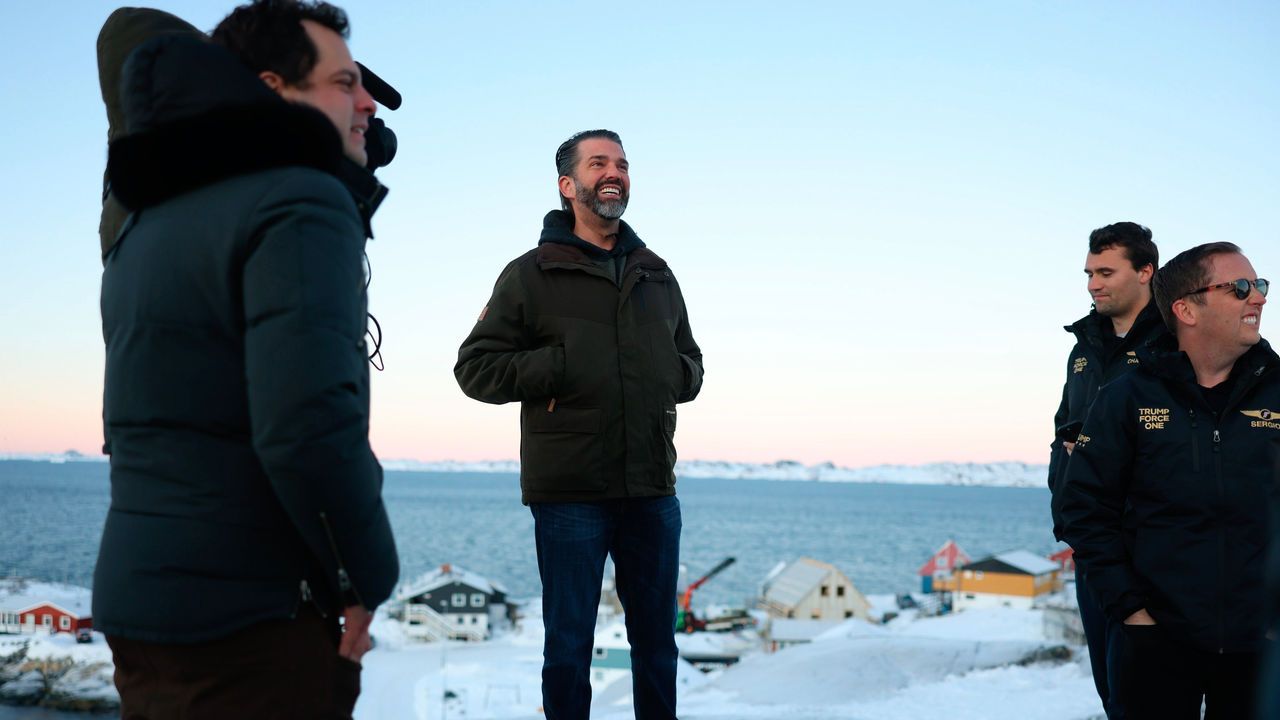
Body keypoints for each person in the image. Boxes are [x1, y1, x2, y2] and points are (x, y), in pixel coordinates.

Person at [94, 1, 398, 716]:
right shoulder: (299, 199)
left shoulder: (150, 215)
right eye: (344, 82)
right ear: (270, 88)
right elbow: (307, 427)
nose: (366, 105)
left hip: (145, 605)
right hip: (250, 618)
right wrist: (365, 579)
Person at [455, 129, 703, 720]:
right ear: (568, 185)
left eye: (621, 163)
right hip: (570, 494)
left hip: (651, 488)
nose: (612, 172)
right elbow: (475, 369)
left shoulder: (657, 274)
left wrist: (672, 374)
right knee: (567, 647)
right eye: (598, 163)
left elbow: (691, 364)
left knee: (658, 646)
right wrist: (560, 365)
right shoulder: (531, 274)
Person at [1060, 242, 1273, 719]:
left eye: (1259, 286)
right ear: (1186, 309)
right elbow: (1084, 508)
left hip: (1261, 649)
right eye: (1240, 288)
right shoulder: (1128, 397)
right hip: (1154, 643)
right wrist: (1133, 614)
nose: (1257, 298)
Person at [1047, 222, 1164, 719]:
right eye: (1089, 272)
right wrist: (1069, 508)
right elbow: (1062, 430)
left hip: (1152, 547)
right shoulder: (1083, 347)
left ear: (1145, 273)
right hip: (1094, 547)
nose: (1094, 283)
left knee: (1152, 690)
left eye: (1106, 272)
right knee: (1111, 691)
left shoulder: (1175, 341)